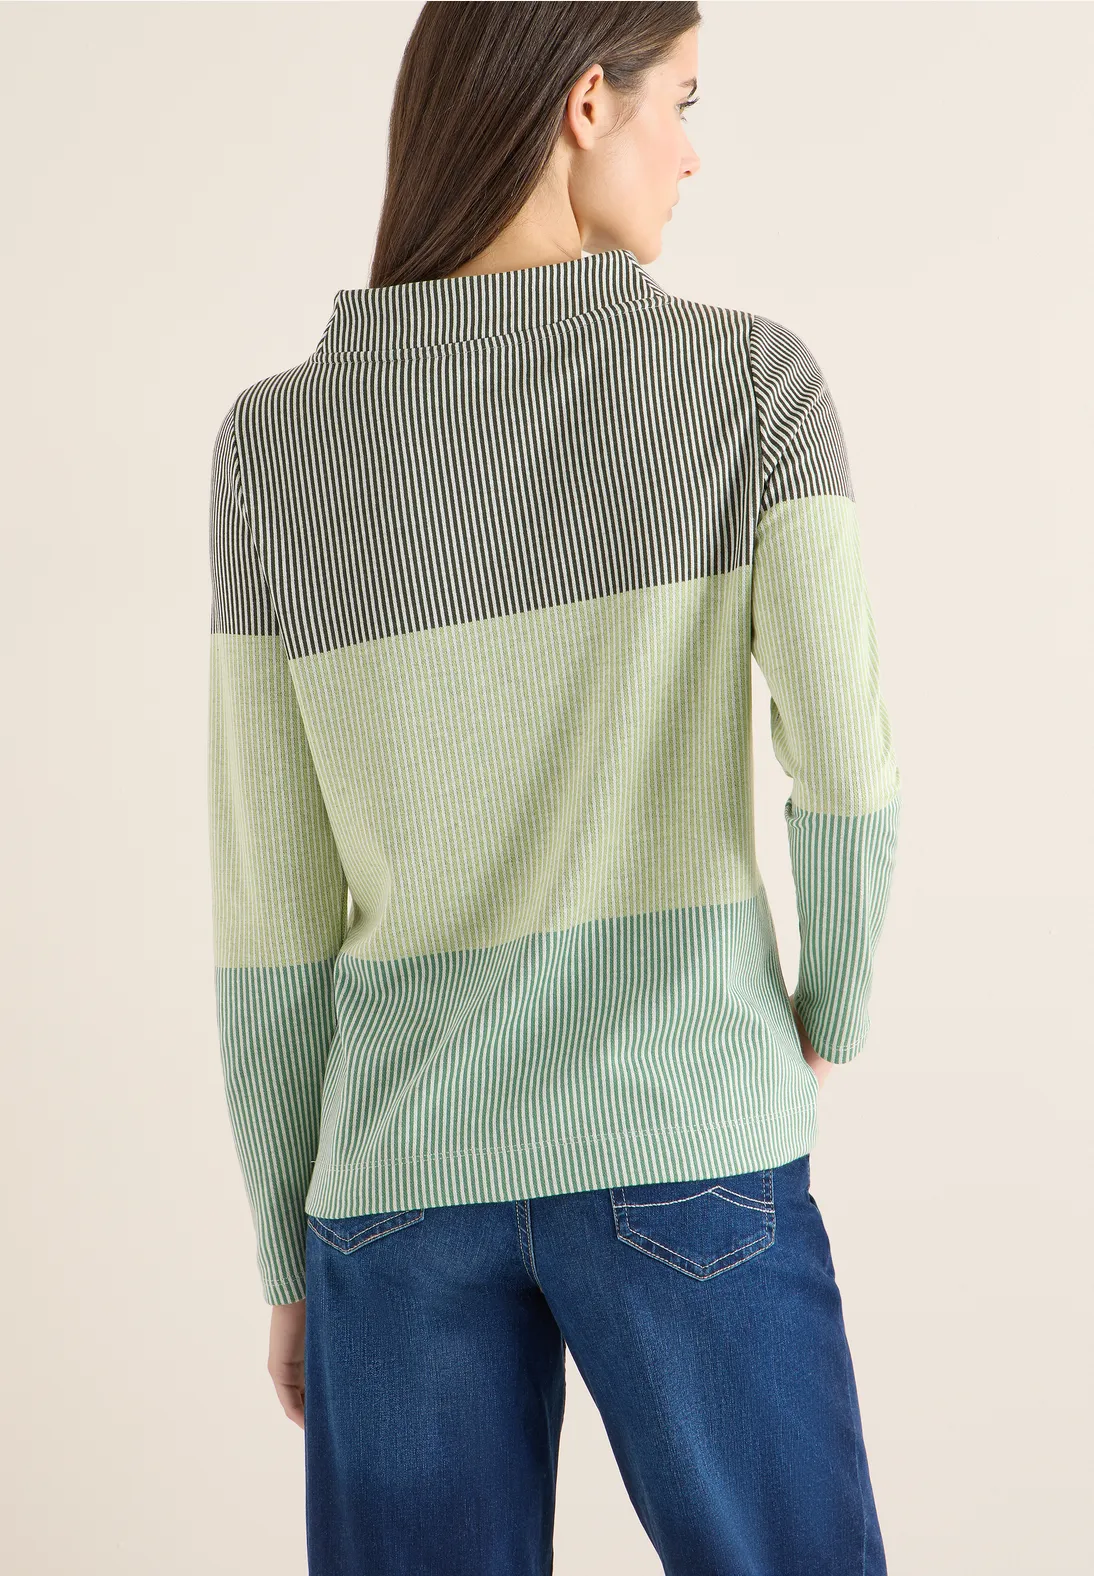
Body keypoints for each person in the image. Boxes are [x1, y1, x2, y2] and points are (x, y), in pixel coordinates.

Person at [207, 4, 901, 1571]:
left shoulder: (271, 447)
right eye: (681, 103)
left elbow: (271, 909)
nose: (690, 153)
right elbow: (849, 767)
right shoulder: (748, 384)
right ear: (587, 103)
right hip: (682, 1132)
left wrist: (287, 1248)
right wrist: (830, 1010)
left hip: (392, 1182)